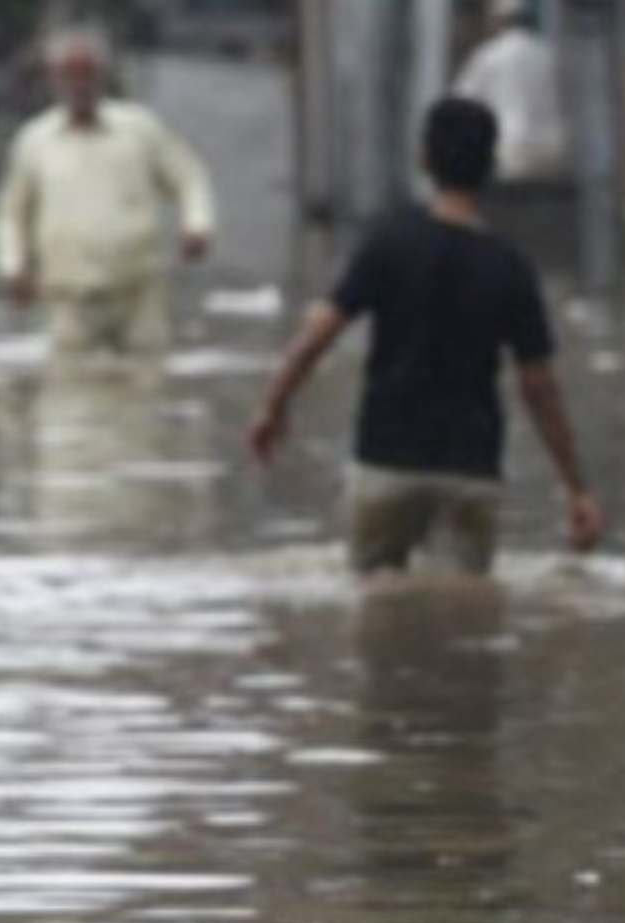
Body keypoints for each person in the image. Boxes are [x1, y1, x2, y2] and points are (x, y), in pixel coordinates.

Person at [244, 96, 602, 573]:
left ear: (425, 159)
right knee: (470, 617)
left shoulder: (387, 244)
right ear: (492, 166)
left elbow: (318, 335)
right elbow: (539, 387)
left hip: (387, 462)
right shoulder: (510, 267)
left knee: (374, 607)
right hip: (471, 471)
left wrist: (274, 406)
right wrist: (576, 487)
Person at [0, 27, 215, 362]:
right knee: (71, 391)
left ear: (103, 76)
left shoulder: (140, 129)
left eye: (88, 74)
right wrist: (12, 268)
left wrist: (198, 225)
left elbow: (189, 179)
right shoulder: (34, 141)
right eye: (70, 74)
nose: (80, 84)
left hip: (137, 292)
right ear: (54, 79)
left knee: (145, 385)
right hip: (68, 297)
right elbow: (11, 214)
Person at [449, 1, 568, 186]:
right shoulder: (548, 55)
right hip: (551, 156)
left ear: (498, 20)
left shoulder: (489, 56)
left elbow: (461, 105)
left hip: (506, 154)